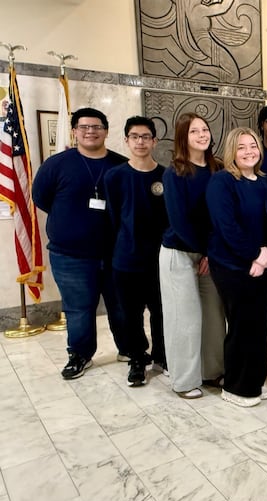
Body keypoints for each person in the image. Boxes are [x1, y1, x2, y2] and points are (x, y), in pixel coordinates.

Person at [32, 107, 127, 380]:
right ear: (74, 131)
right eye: (84, 127)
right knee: (79, 308)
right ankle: (81, 355)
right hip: (70, 255)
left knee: (120, 305)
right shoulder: (57, 164)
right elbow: (41, 198)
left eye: (96, 127)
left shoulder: (120, 166)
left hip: (114, 253)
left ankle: (128, 348)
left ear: (106, 131)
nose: (90, 131)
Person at [159, 112, 226, 399]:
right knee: (184, 320)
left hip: (210, 255)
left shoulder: (217, 169)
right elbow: (180, 221)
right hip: (180, 253)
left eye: (205, 129)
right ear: (183, 138)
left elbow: (222, 216)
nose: (202, 135)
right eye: (194, 131)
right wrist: (204, 251)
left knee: (214, 317)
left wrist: (211, 253)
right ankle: (184, 381)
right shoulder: (174, 172)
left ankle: (212, 372)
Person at [206, 127, 267, 407]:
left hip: (262, 263)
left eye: (253, 146)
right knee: (242, 326)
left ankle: (254, 381)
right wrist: (254, 256)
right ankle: (235, 386)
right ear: (232, 151)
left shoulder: (264, 182)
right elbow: (227, 227)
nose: (249, 152)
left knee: (259, 326)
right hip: (233, 265)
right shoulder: (222, 181)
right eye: (242, 147)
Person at [104, 116, 169, 387]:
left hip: (160, 260)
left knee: (162, 311)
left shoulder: (166, 176)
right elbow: (112, 218)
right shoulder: (115, 176)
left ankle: (162, 355)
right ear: (126, 140)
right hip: (127, 259)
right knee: (130, 314)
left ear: (154, 141)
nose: (140, 141)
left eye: (145, 136)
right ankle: (137, 358)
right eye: (134, 136)